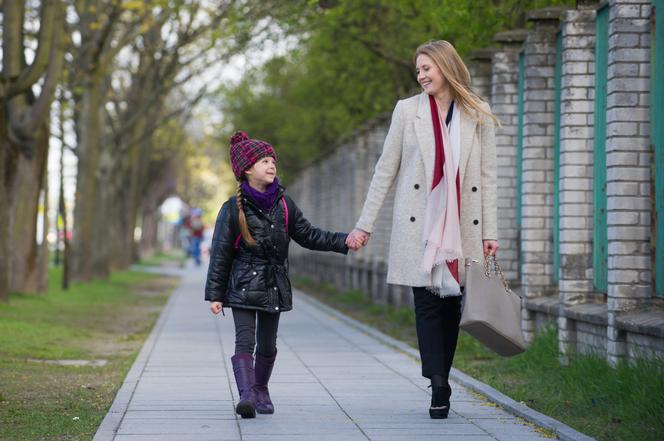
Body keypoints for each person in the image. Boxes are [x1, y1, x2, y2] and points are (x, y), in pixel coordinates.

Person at [346, 40, 500, 419]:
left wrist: (490, 231)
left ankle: (441, 374)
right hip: (421, 224)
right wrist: (364, 225)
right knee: (427, 304)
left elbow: (488, 176)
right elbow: (386, 168)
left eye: (427, 68)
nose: (421, 75)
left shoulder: (477, 112)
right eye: (418, 70)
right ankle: (438, 382)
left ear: (446, 67)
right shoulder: (407, 111)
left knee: (451, 306)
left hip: (464, 224)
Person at [205, 131, 350, 419]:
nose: (272, 165)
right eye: (264, 161)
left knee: (268, 344)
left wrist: (343, 240)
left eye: (273, 160)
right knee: (245, 341)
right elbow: (221, 252)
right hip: (243, 286)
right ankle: (246, 396)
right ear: (247, 169)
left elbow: (308, 235)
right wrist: (215, 294)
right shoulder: (232, 209)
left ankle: (261, 389)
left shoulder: (284, 204)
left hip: (274, 284)